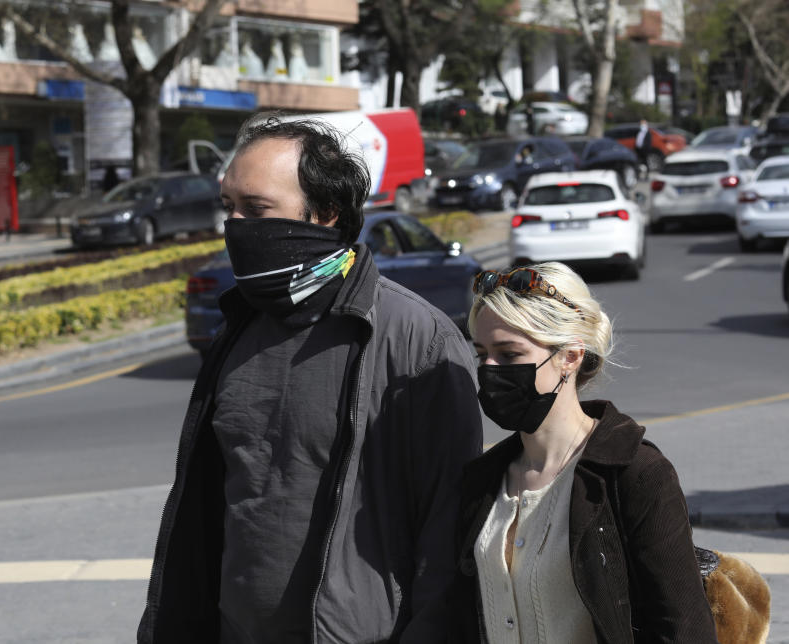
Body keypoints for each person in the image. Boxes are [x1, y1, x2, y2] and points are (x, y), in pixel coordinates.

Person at [138, 115, 483, 643]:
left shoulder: (417, 338)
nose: (234, 226)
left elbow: (450, 524)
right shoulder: (238, 327)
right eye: (229, 207)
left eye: (255, 209)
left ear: (324, 214)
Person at [447, 262, 718, 642]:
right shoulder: (482, 481)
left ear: (570, 357)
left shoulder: (635, 474)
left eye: (509, 355)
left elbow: (684, 630)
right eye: (482, 355)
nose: (490, 369)